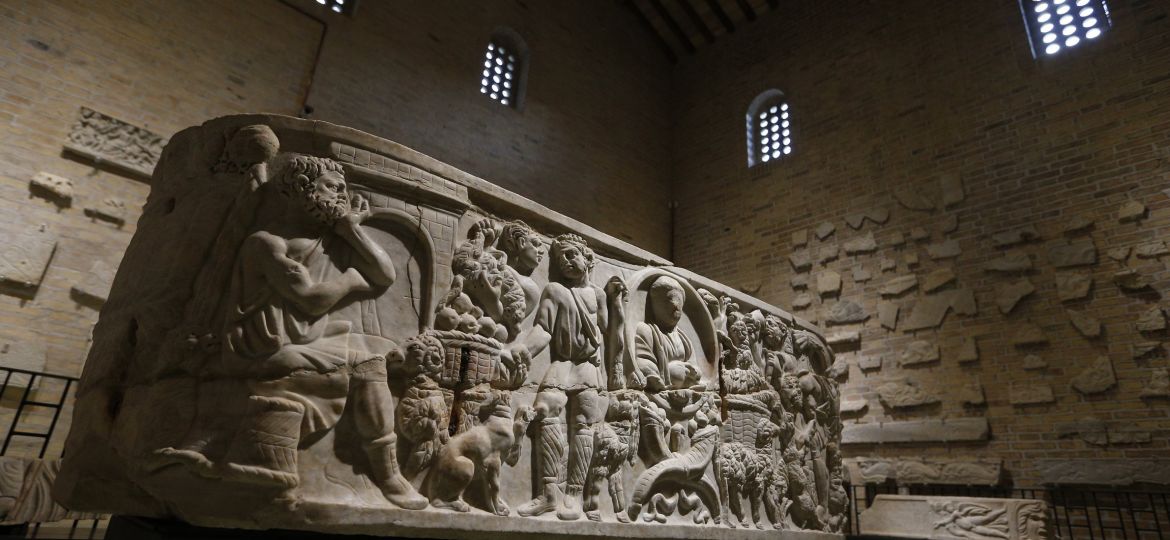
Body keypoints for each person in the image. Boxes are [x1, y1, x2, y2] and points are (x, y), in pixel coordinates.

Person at [155, 155, 427, 509]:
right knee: (370, 363)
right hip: (258, 349)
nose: (342, 195)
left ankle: (389, 474)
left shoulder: (327, 239)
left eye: (344, 188)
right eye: (333, 186)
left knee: (375, 354)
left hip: (304, 340)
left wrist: (351, 229)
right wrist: (351, 279)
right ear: (302, 188)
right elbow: (311, 300)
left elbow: (386, 273)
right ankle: (388, 477)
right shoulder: (267, 243)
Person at [508, 234, 626, 520]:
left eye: (573, 255)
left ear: (588, 258)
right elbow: (544, 330)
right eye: (561, 259)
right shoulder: (555, 290)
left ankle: (573, 494)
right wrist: (522, 349)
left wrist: (616, 301)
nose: (567, 262)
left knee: (583, 425)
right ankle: (549, 495)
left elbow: (610, 333)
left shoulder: (597, 295)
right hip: (562, 362)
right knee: (545, 409)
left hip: (586, 366)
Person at [632, 275, 695, 392]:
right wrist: (668, 371)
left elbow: (692, 363)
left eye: (679, 302)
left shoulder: (683, 337)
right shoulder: (646, 330)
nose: (676, 306)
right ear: (655, 305)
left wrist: (693, 372)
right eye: (669, 300)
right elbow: (643, 361)